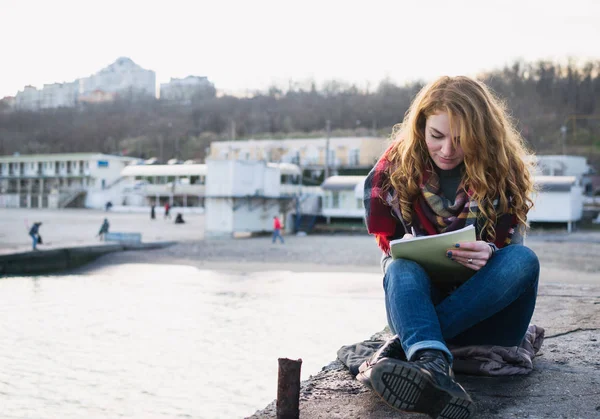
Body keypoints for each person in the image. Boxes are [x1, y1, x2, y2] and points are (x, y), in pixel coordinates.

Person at [359, 76, 539, 419]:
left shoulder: (504, 170)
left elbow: (511, 259)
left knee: (522, 260)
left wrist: (491, 252)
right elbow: (390, 256)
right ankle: (435, 365)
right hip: (419, 308)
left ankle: (409, 350)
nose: (447, 150)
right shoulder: (392, 173)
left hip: (487, 319)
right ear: (421, 129)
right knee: (400, 267)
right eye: (436, 137)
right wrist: (408, 249)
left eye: (461, 140)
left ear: (481, 135)